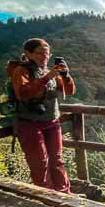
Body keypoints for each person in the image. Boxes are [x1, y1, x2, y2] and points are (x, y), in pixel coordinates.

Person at [6, 38, 75, 192]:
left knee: (57, 161)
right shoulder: (21, 71)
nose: (44, 57)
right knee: (40, 164)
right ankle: (47, 198)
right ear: (28, 53)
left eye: (47, 54)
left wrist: (66, 75)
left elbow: (70, 91)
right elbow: (23, 94)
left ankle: (65, 195)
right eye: (39, 53)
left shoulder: (49, 72)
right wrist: (46, 78)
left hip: (52, 121)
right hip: (29, 123)